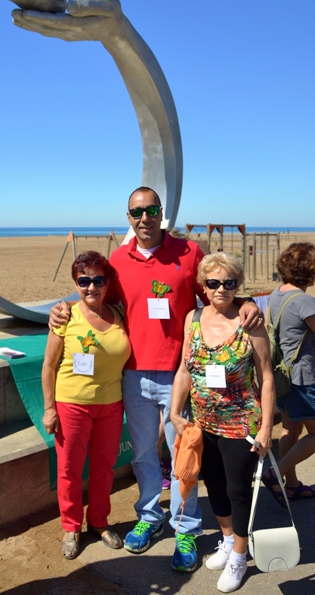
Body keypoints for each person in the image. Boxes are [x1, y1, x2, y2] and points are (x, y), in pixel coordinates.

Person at [49, 187, 263, 571]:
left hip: (180, 375)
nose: (144, 218)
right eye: (136, 212)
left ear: (161, 213)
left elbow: (218, 291)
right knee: (145, 454)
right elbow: (96, 297)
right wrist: (61, 308)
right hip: (133, 376)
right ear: (128, 217)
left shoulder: (189, 252)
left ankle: (185, 528)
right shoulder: (117, 259)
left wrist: (246, 302)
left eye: (151, 210)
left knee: (185, 456)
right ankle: (150, 516)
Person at [170, 252, 275, 593]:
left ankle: (240, 557)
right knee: (213, 484)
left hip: (240, 423)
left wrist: (266, 428)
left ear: (237, 286)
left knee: (238, 490)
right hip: (202, 422)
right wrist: (175, 412)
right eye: (213, 283)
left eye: (229, 283)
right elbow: (184, 370)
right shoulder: (193, 319)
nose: (221, 289)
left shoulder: (250, 324)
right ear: (204, 285)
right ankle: (228, 540)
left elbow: (267, 377)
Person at [41, 251, 131, 560]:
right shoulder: (66, 316)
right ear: (75, 283)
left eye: (98, 280)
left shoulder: (119, 314)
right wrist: (49, 409)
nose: (91, 287)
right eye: (84, 281)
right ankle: (71, 527)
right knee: (70, 470)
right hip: (72, 406)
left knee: (105, 467)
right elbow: (49, 366)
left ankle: (98, 522)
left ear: (107, 284)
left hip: (110, 405)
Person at [262, 242, 315, 505]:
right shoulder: (305, 301)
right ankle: (276, 474)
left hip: (281, 377)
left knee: (289, 430)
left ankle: (291, 486)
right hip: (303, 380)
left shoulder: (277, 294)